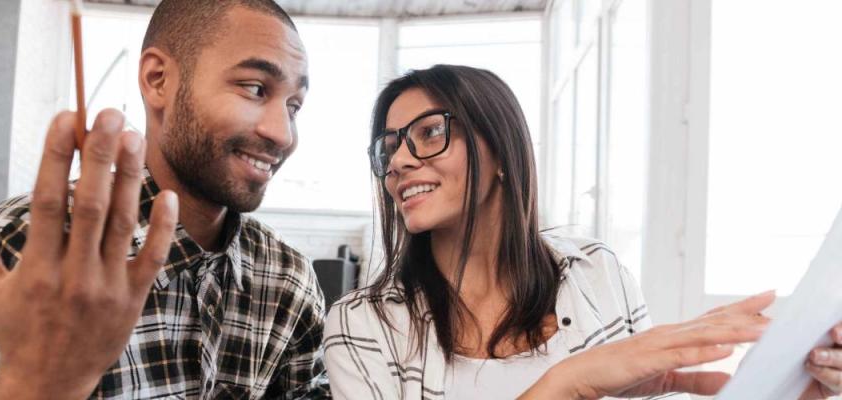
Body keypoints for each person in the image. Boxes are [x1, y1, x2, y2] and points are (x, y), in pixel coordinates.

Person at [322, 64, 842, 399]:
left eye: (429, 133)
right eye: (387, 148)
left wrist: (793, 385)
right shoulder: (359, 326)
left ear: (501, 149)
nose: (398, 163)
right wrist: (568, 383)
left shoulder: (598, 273)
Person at [0, 0, 328, 398]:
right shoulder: (20, 254)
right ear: (158, 80)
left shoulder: (287, 278)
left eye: (294, 106)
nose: (282, 133)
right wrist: (38, 383)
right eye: (254, 88)